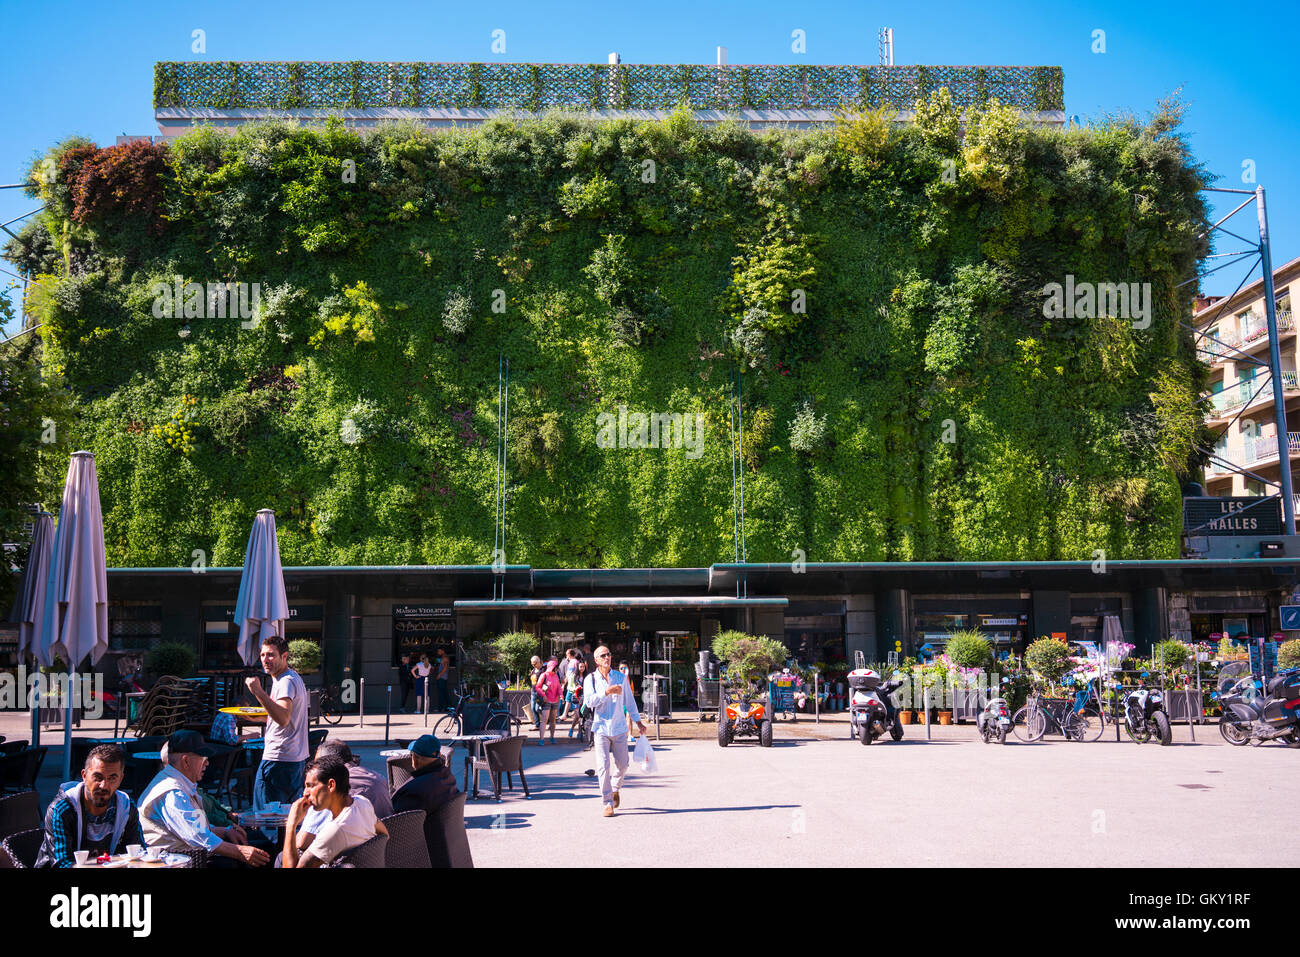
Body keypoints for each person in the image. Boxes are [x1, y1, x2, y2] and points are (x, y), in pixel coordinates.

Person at [138, 731, 270, 867]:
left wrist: (225, 831)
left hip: (188, 855)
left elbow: (197, 828)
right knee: (247, 859)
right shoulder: (173, 793)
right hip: (177, 861)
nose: (207, 762)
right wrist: (241, 852)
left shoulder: (181, 785)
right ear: (186, 761)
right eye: (203, 757)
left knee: (262, 844)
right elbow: (197, 836)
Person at [35, 744, 145, 868]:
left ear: (121, 779)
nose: (104, 785)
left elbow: (139, 854)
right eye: (98, 777)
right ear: (84, 776)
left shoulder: (127, 807)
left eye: (112, 778)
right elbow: (61, 864)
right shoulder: (62, 809)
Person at [282, 757, 388, 868]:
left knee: (280, 858)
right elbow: (385, 835)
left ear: (331, 785)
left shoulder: (335, 831)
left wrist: (290, 824)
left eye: (310, 786)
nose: (305, 793)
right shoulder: (362, 803)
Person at [245, 635, 310, 806]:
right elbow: (285, 715)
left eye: (271, 655)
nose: (265, 659)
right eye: (263, 655)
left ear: (284, 656)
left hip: (279, 758)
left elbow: (283, 718)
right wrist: (255, 717)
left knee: (267, 817)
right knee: (286, 817)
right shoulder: (291, 677)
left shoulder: (285, 681)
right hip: (292, 758)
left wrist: (257, 691)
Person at [583, 645, 646, 817]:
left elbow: (630, 701)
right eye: (603, 655)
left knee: (623, 764)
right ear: (596, 660)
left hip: (619, 728)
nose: (607, 657)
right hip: (601, 728)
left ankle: (615, 787)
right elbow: (589, 702)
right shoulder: (591, 679)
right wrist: (607, 692)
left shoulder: (620, 677)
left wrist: (639, 723)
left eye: (609, 654)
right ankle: (607, 803)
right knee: (603, 766)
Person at [391, 734, 460, 864]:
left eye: (418, 757)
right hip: (440, 843)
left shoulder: (416, 790)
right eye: (412, 755)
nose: (414, 761)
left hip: (418, 851)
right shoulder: (446, 776)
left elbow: (398, 826)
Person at [313, 740, 393, 819]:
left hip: (365, 829)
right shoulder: (377, 776)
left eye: (317, 764)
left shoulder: (338, 783)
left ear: (328, 764)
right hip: (390, 828)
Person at [534, 658, 562, 745]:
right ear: (551, 667)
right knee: (544, 720)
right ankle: (541, 739)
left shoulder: (556, 676)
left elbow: (559, 687)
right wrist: (544, 695)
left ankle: (552, 737)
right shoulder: (544, 675)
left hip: (555, 700)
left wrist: (561, 695)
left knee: (553, 720)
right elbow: (538, 687)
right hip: (546, 701)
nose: (557, 669)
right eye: (555, 667)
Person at [565, 659, 588, 738]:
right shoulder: (573, 676)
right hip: (575, 697)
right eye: (580, 667)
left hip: (584, 697)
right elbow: (569, 687)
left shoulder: (587, 676)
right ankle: (572, 729)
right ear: (577, 667)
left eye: (583, 667)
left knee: (581, 716)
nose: (582, 668)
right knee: (578, 715)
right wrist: (575, 688)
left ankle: (579, 732)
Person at [434, 647, 450, 713]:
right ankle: (447, 707)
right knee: (444, 693)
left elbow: (445, 667)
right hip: (443, 677)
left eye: (439, 651)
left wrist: (439, 675)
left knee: (441, 693)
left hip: (442, 678)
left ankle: (440, 708)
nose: (438, 652)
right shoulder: (443, 657)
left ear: (442, 651)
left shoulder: (445, 657)